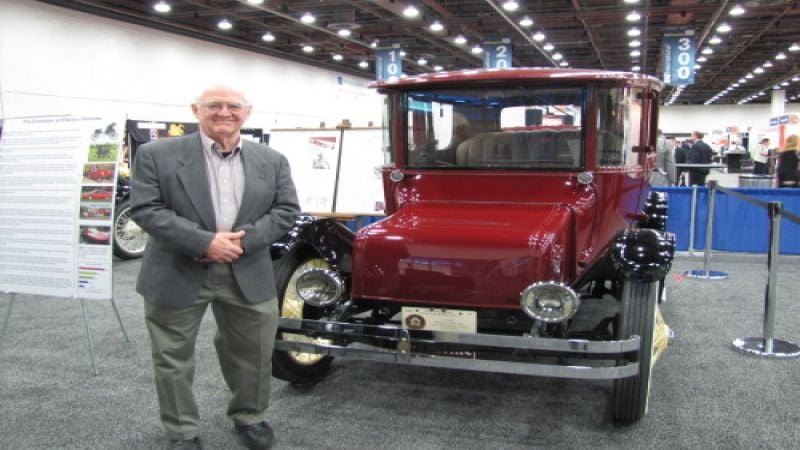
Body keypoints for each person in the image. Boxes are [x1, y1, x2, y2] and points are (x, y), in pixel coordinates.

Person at [130, 85, 301, 450]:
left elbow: (286, 211)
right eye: (214, 105)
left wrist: (241, 241)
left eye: (233, 106)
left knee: (253, 352)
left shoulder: (272, 160)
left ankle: (250, 416)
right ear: (196, 110)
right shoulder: (155, 154)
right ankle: (181, 430)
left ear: (247, 112)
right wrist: (204, 241)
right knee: (172, 356)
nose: (224, 112)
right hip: (177, 269)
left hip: (248, 270)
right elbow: (146, 209)